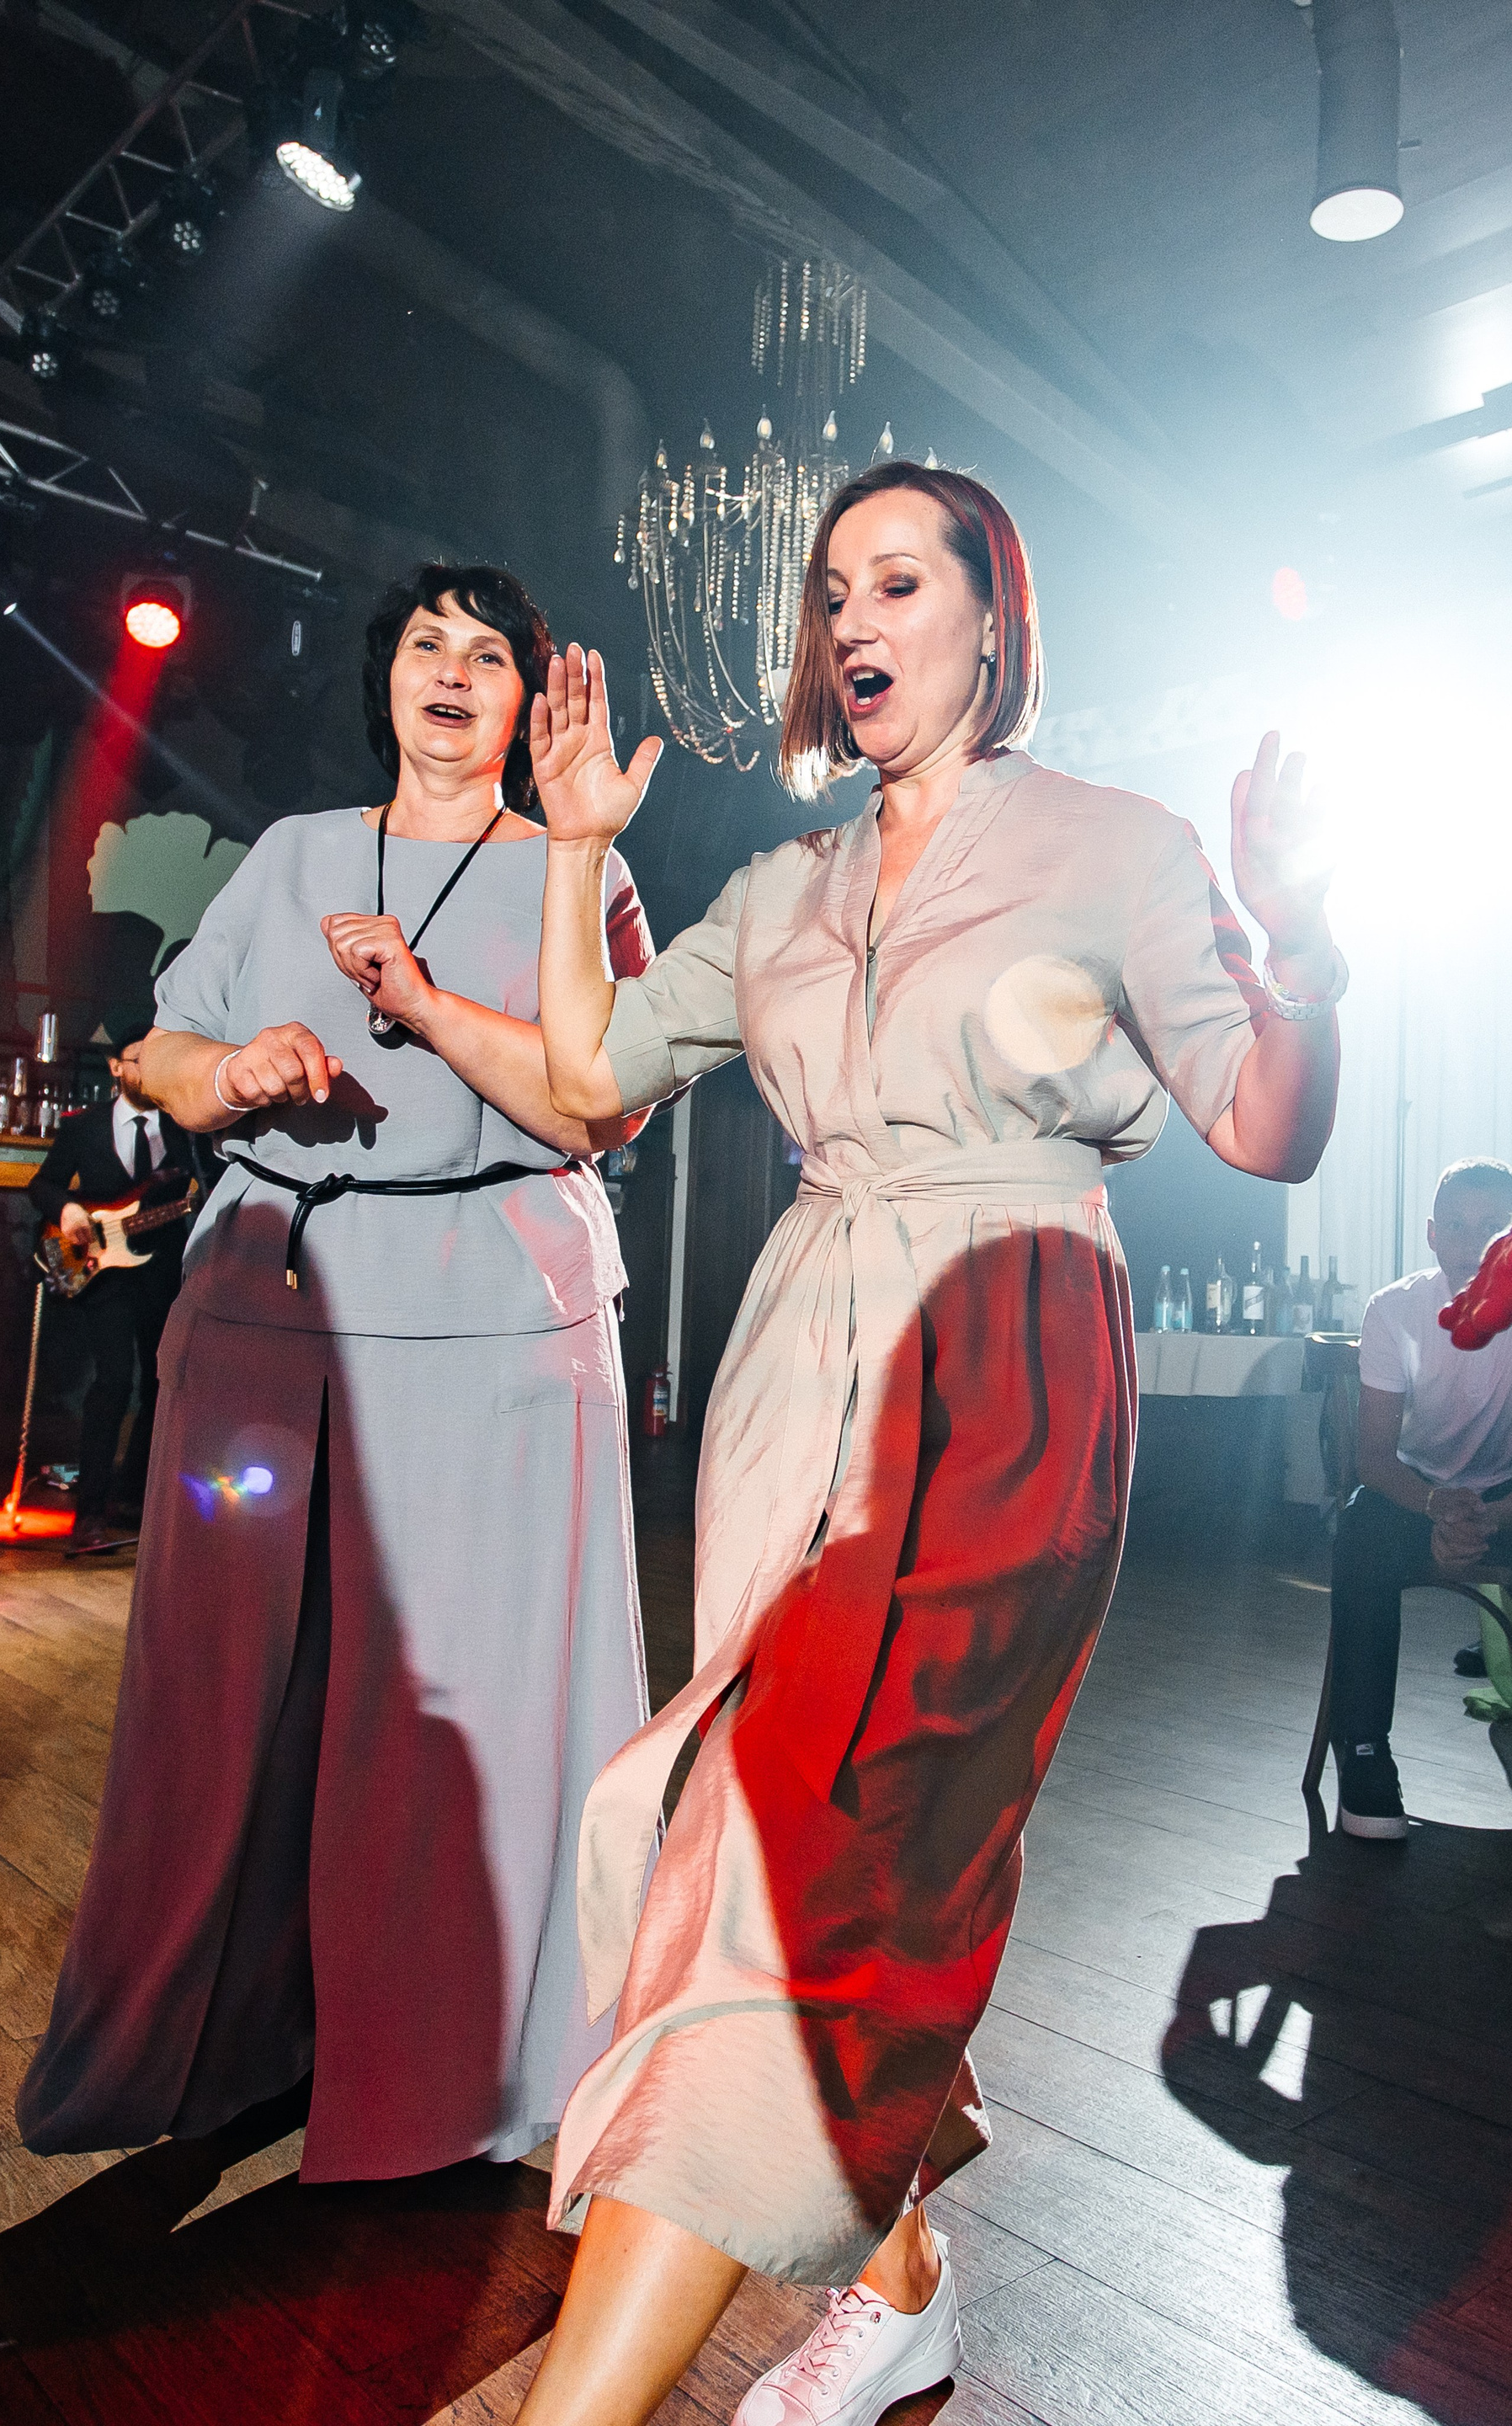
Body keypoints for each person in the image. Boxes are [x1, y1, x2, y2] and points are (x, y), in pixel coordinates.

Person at [517, 461, 1341, 2426]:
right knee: (780, 1832)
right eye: (833, 590)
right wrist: (573, 852)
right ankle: (899, 2285)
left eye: (899, 579)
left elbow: (1267, 1125)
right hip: (796, 1368)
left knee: (784, 1845)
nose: (855, 618)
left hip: (1001, 1357)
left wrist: (1303, 943)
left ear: (992, 614)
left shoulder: (1119, 846)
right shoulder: (781, 889)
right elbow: (584, 1078)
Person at [18, 563, 655, 2185]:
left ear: (527, 705)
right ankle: (229, 2040)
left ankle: (452, 2066)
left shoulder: (580, 869)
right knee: (229, 1701)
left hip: (494, 1326)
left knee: (458, 1713)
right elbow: (157, 1053)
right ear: (384, 679)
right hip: (270, 1314)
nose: (451, 671)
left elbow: (600, 1108)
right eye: (426, 644)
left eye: (489, 654)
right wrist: (231, 1071)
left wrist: (423, 1013)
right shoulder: (296, 852)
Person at [1326, 1157, 1512, 1840]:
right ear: (1432, 1234)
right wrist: (1437, 1507)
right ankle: (1364, 1750)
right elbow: (1373, 1457)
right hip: (1413, 1490)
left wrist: (1486, 1516)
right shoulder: (1395, 1309)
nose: (1473, 1245)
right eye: (1457, 1227)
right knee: (1359, 1533)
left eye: (1493, 1227)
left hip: (1504, 1498)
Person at [26, 1012, 194, 1551]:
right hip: (105, 1274)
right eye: (138, 1061)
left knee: (161, 1384)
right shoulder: (85, 1126)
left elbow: (206, 1184)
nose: (147, 1071)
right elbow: (43, 1184)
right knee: (113, 1383)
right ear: (116, 1067)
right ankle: (90, 1513)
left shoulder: (184, 1127)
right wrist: (69, 1209)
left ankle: (132, 1497)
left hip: (163, 1271)